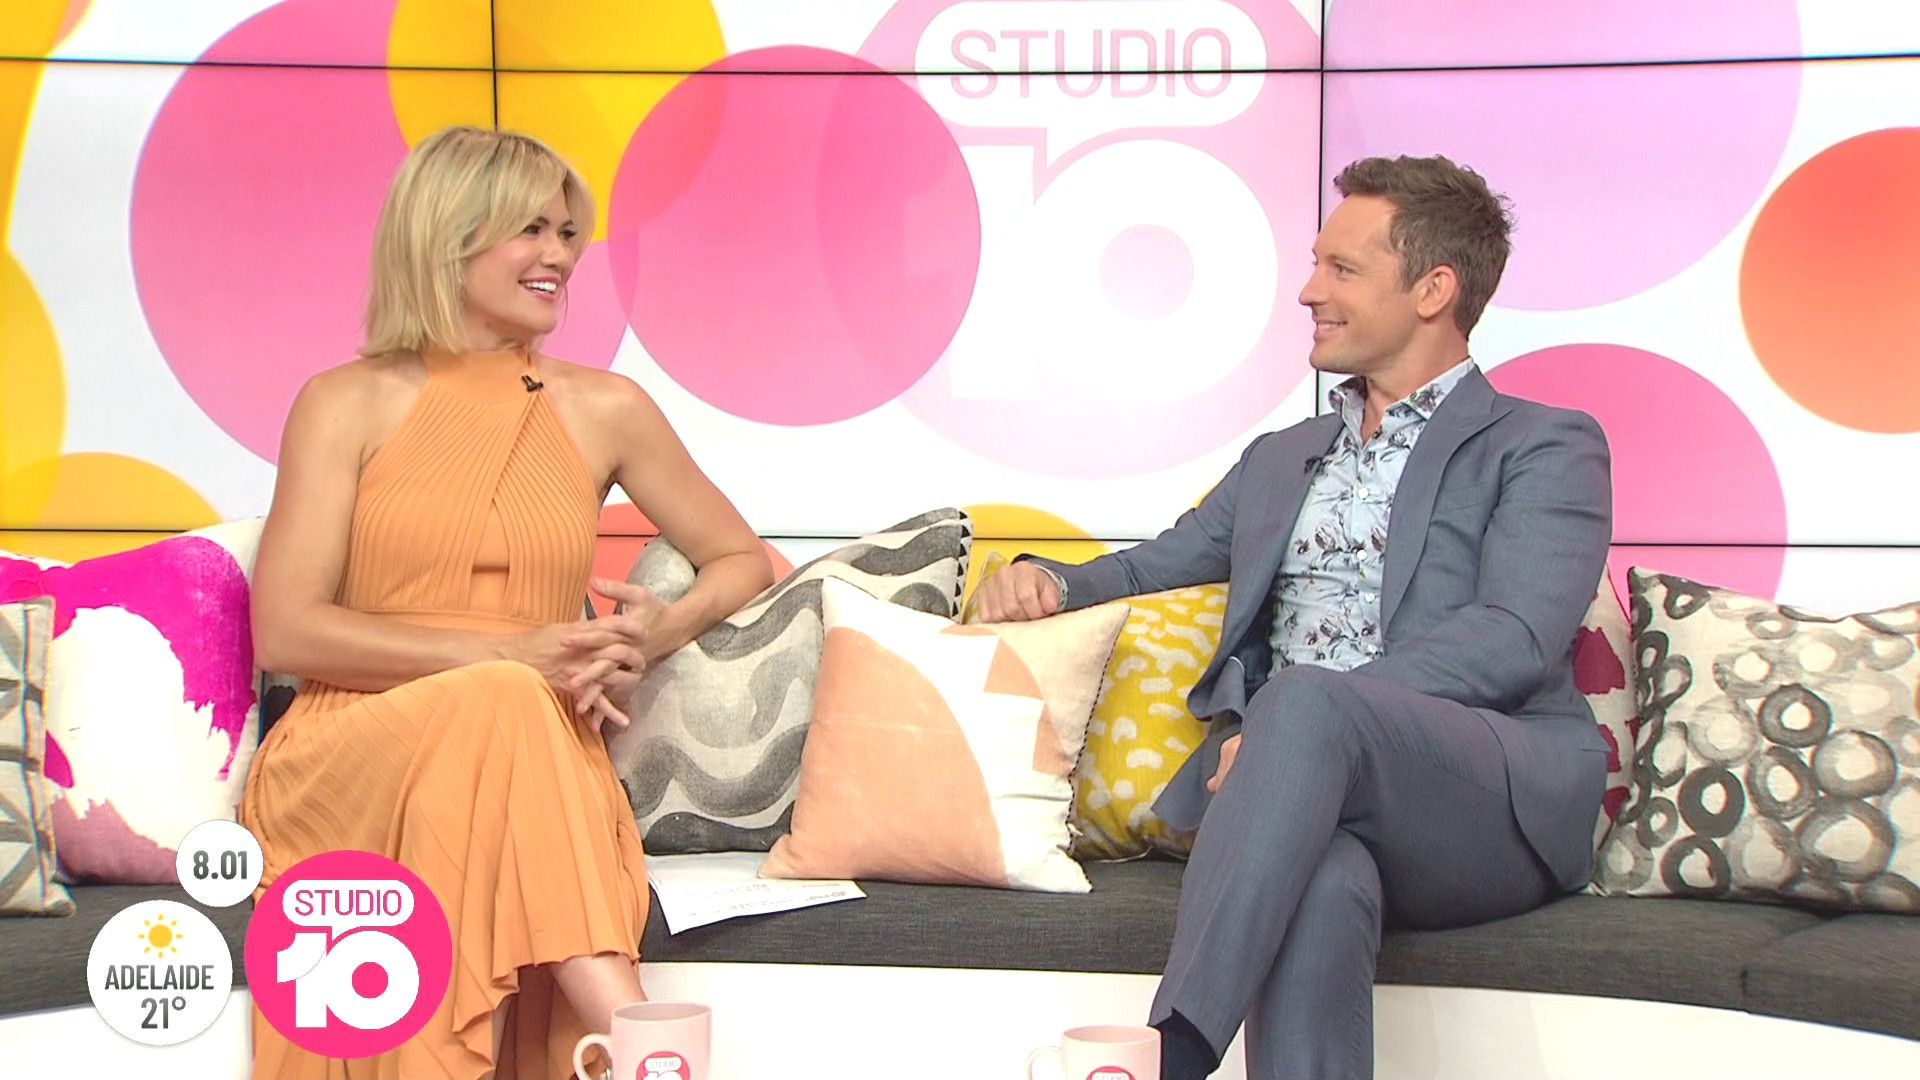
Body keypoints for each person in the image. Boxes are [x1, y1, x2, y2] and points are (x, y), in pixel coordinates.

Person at [972, 155, 1612, 1080]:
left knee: (1303, 700)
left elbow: (1513, 638)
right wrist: (1048, 581)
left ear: (1433, 290)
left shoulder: (1543, 444)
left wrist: (1296, 725)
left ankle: (1171, 1054)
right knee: (1322, 880)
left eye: (1341, 269)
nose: (1310, 292)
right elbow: (1159, 562)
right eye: (1316, 266)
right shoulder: (1282, 457)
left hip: (1485, 798)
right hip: (1309, 799)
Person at [243, 126, 772, 1079]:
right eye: (530, 229)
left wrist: (655, 634)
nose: (559, 256)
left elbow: (739, 558)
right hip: (355, 748)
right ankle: (645, 1041)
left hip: (536, 749)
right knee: (501, 696)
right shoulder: (343, 402)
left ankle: (640, 1050)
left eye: (567, 233)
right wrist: (503, 658)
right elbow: (286, 629)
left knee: (511, 709)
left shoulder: (607, 407)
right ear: (446, 236)